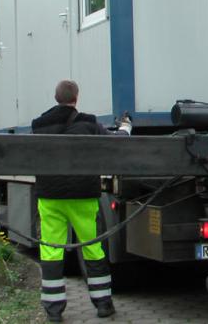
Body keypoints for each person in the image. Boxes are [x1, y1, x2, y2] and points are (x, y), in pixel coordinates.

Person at [32, 79, 132, 322]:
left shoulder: (39, 125)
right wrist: (126, 127)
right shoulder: (87, 122)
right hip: (83, 196)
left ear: (56, 97)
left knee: (52, 249)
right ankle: (103, 304)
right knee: (92, 246)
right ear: (76, 98)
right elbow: (114, 143)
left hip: (50, 197)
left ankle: (54, 310)